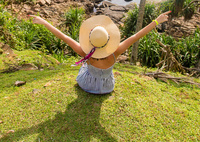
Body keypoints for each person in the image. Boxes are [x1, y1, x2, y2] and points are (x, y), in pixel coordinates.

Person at [29, 11, 171, 94]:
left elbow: (64, 37)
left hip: (87, 86)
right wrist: (156, 21)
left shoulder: (85, 52)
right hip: (108, 87)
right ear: (108, 40)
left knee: (84, 66)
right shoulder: (115, 52)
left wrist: (45, 23)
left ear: (90, 40)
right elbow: (136, 36)